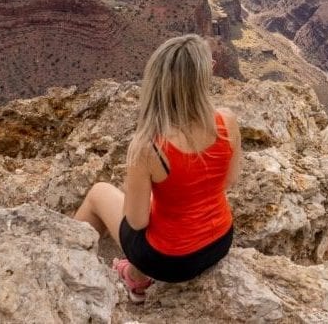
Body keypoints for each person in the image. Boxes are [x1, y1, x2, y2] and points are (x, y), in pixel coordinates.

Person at [74, 33, 242, 302]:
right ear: (201, 78)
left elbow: (137, 221)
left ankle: (69, 266)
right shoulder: (226, 121)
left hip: (170, 263)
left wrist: (141, 193)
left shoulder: (149, 146)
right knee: (162, 206)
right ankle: (134, 274)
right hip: (220, 242)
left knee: (99, 192)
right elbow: (228, 181)